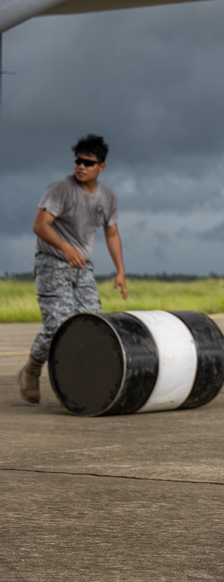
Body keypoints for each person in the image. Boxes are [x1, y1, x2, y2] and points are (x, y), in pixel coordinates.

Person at [17, 134, 128, 404]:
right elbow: (40, 225)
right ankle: (31, 369)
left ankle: (83, 381)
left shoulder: (107, 197)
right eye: (78, 161)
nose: (80, 166)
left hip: (82, 268)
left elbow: (111, 233)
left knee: (92, 324)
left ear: (101, 167)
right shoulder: (60, 189)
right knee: (58, 326)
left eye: (88, 163)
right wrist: (65, 248)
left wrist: (120, 271)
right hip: (52, 263)